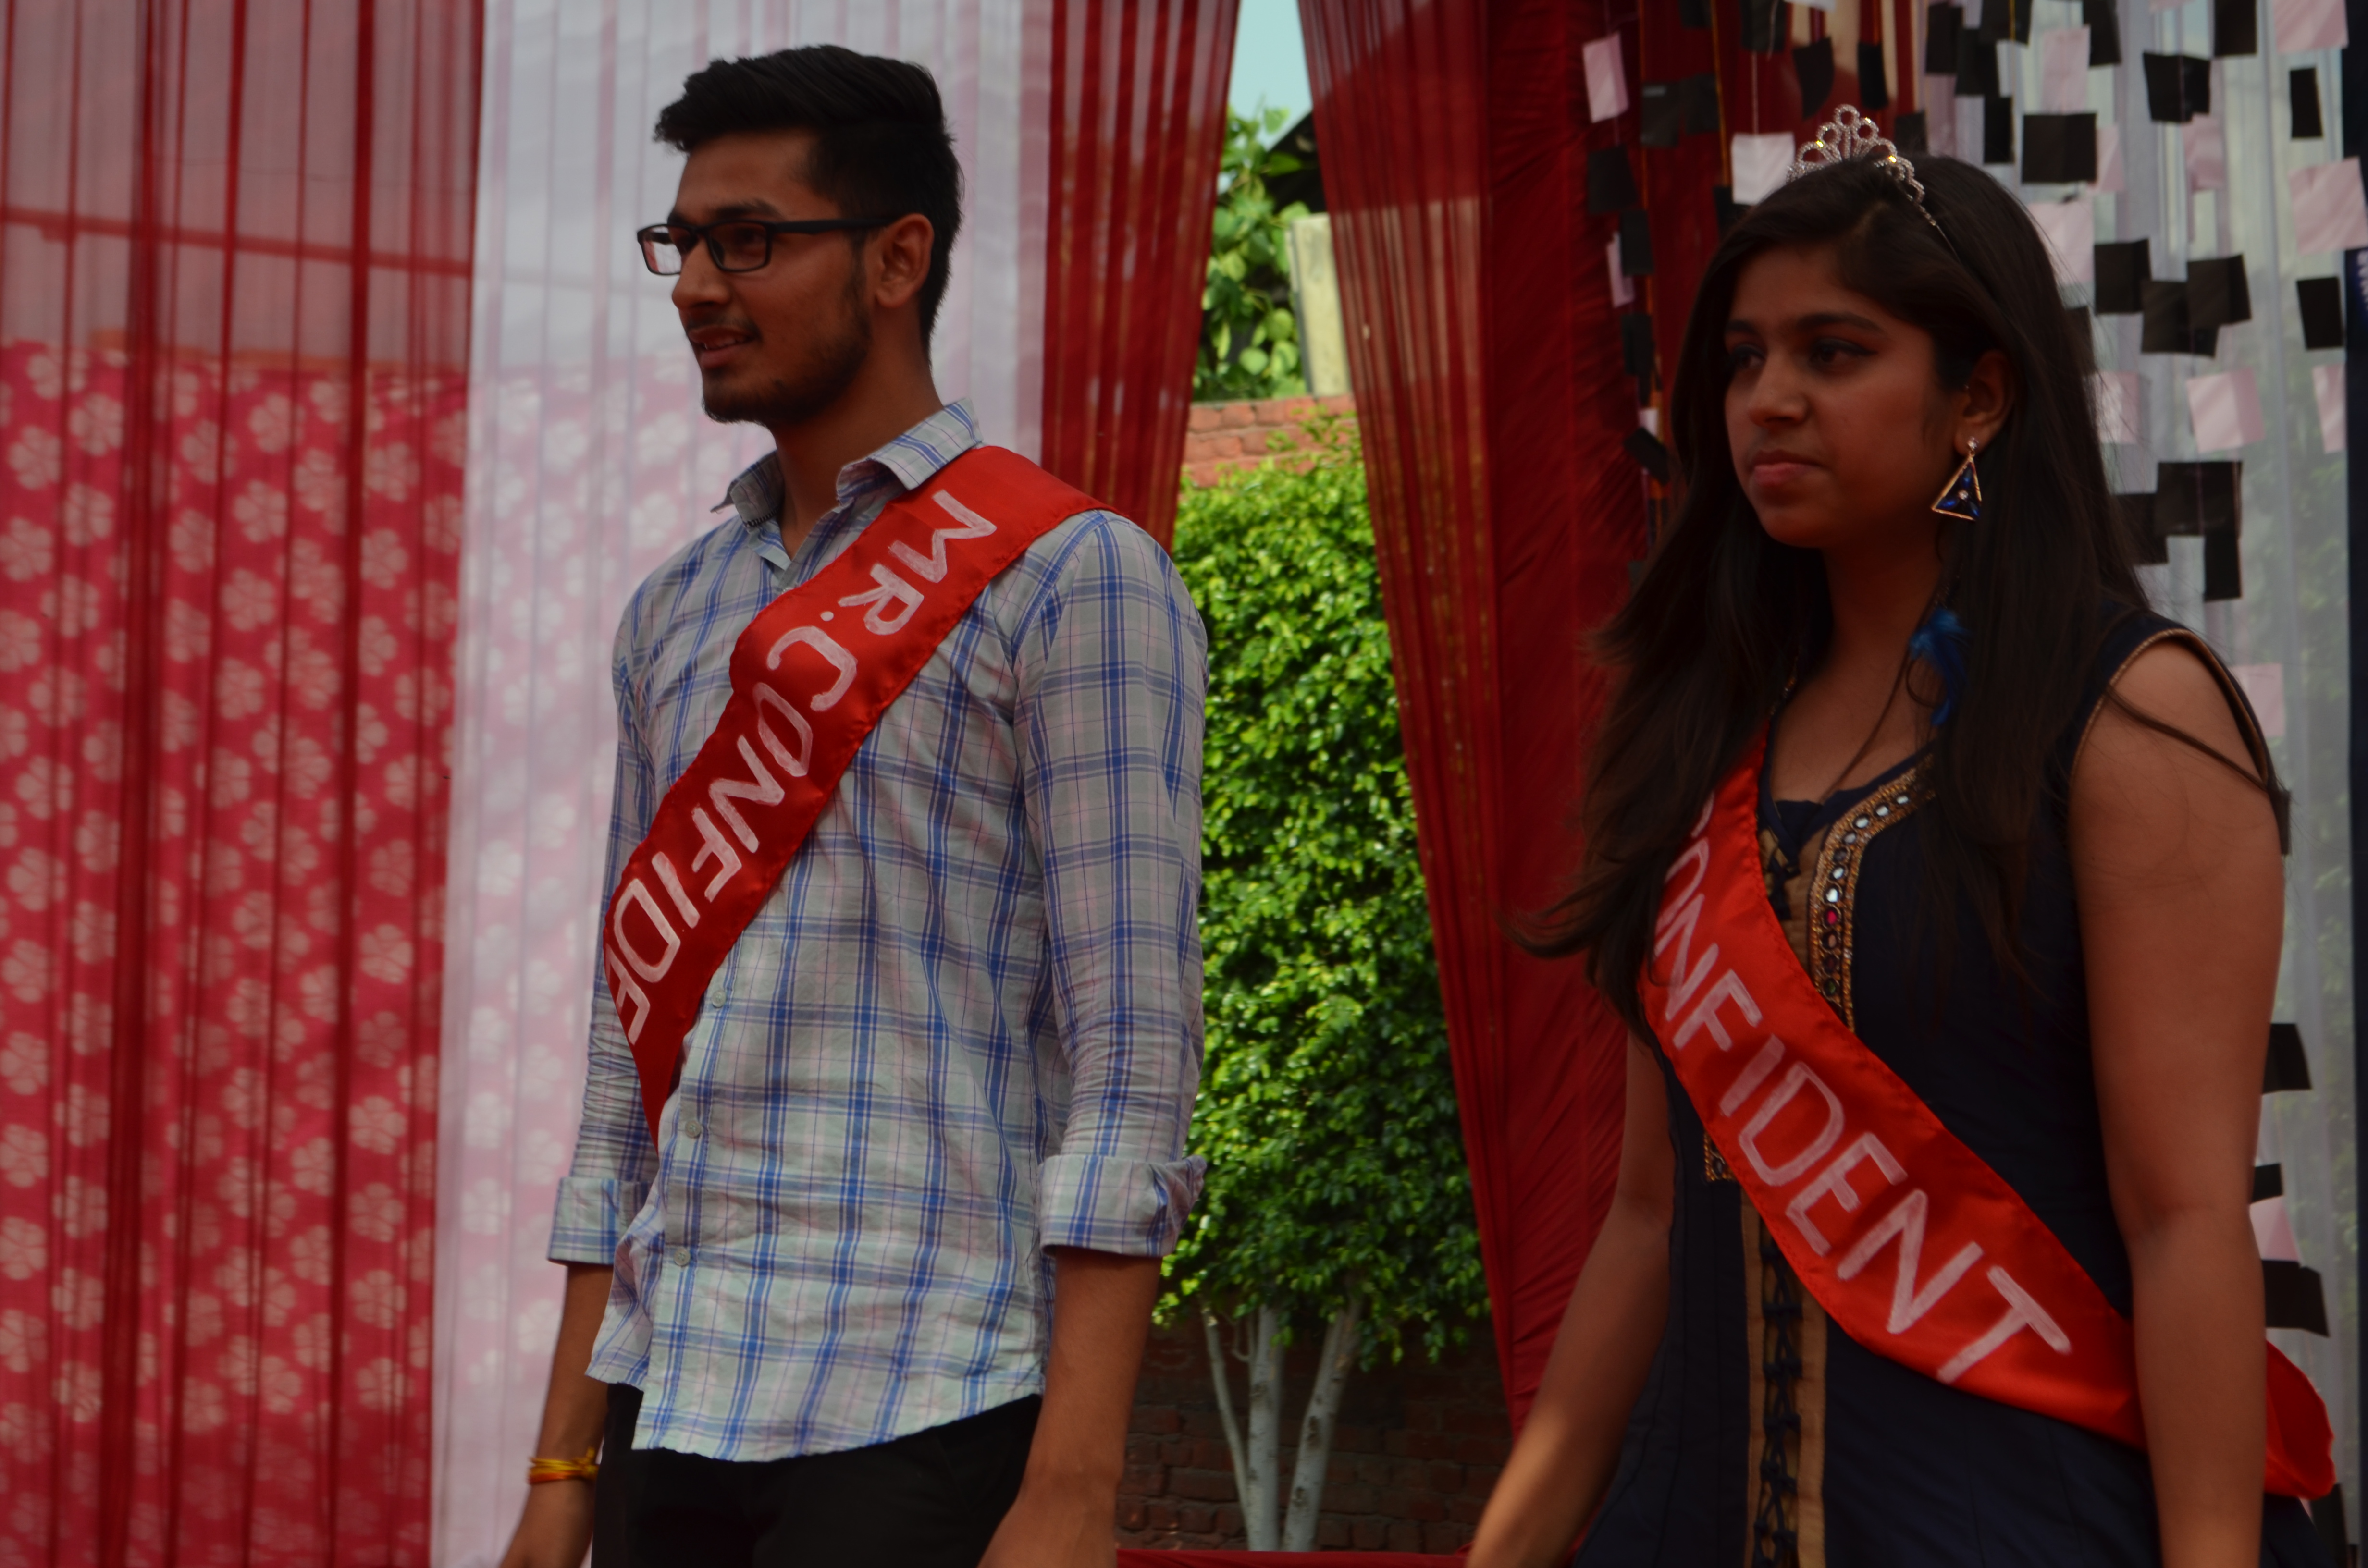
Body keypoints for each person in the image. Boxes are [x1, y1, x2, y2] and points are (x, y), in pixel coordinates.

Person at [1467, 111, 2334, 1568]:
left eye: (1834, 352)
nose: (1769, 401)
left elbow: (2187, 1222)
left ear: (1977, 396)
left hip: (2026, 1526)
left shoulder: (2124, 716)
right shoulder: (1701, 732)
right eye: (1743, 359)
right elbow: (1645, 1217)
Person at [496, 44, 1208, 1568]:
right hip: (670, 1396)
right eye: (683, 243)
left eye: (749, 240)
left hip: (927, 1401)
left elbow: (1134, 1062)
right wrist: (562, 1463)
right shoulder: (674, 613)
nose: (698, 286)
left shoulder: (1073, 576)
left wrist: (1074, 1494)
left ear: (898, 259)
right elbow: (629, 1058)